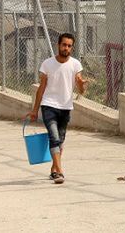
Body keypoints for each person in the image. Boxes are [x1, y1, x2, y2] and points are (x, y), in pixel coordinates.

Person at [26, 33, 89, 184]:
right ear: (58, 45)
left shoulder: (75, 65)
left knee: (60, 140)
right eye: (64, 45)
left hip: (65, 107)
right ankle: (60, 172)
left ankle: (54, 170)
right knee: (54, 137)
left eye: (69, 46)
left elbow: (81, 91)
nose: (66, 48)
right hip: (49, 105)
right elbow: (41, 88)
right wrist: (35, 110)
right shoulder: (47, 64)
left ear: (72, 48)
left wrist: (81, 85)